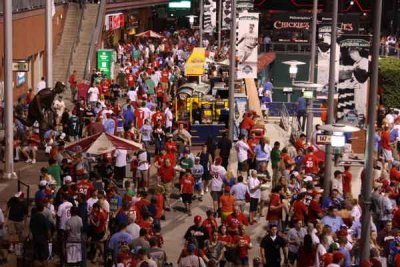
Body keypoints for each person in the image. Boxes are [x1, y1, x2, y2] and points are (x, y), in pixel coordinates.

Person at [30, 202, 51, 267]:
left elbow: (30, 228)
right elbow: (48, 231)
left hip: (35, 239)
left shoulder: (33, 218)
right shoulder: (44, 218)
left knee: (36, 258)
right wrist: (49, 238)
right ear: (42, 209)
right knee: (44, 258)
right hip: (43, 240)